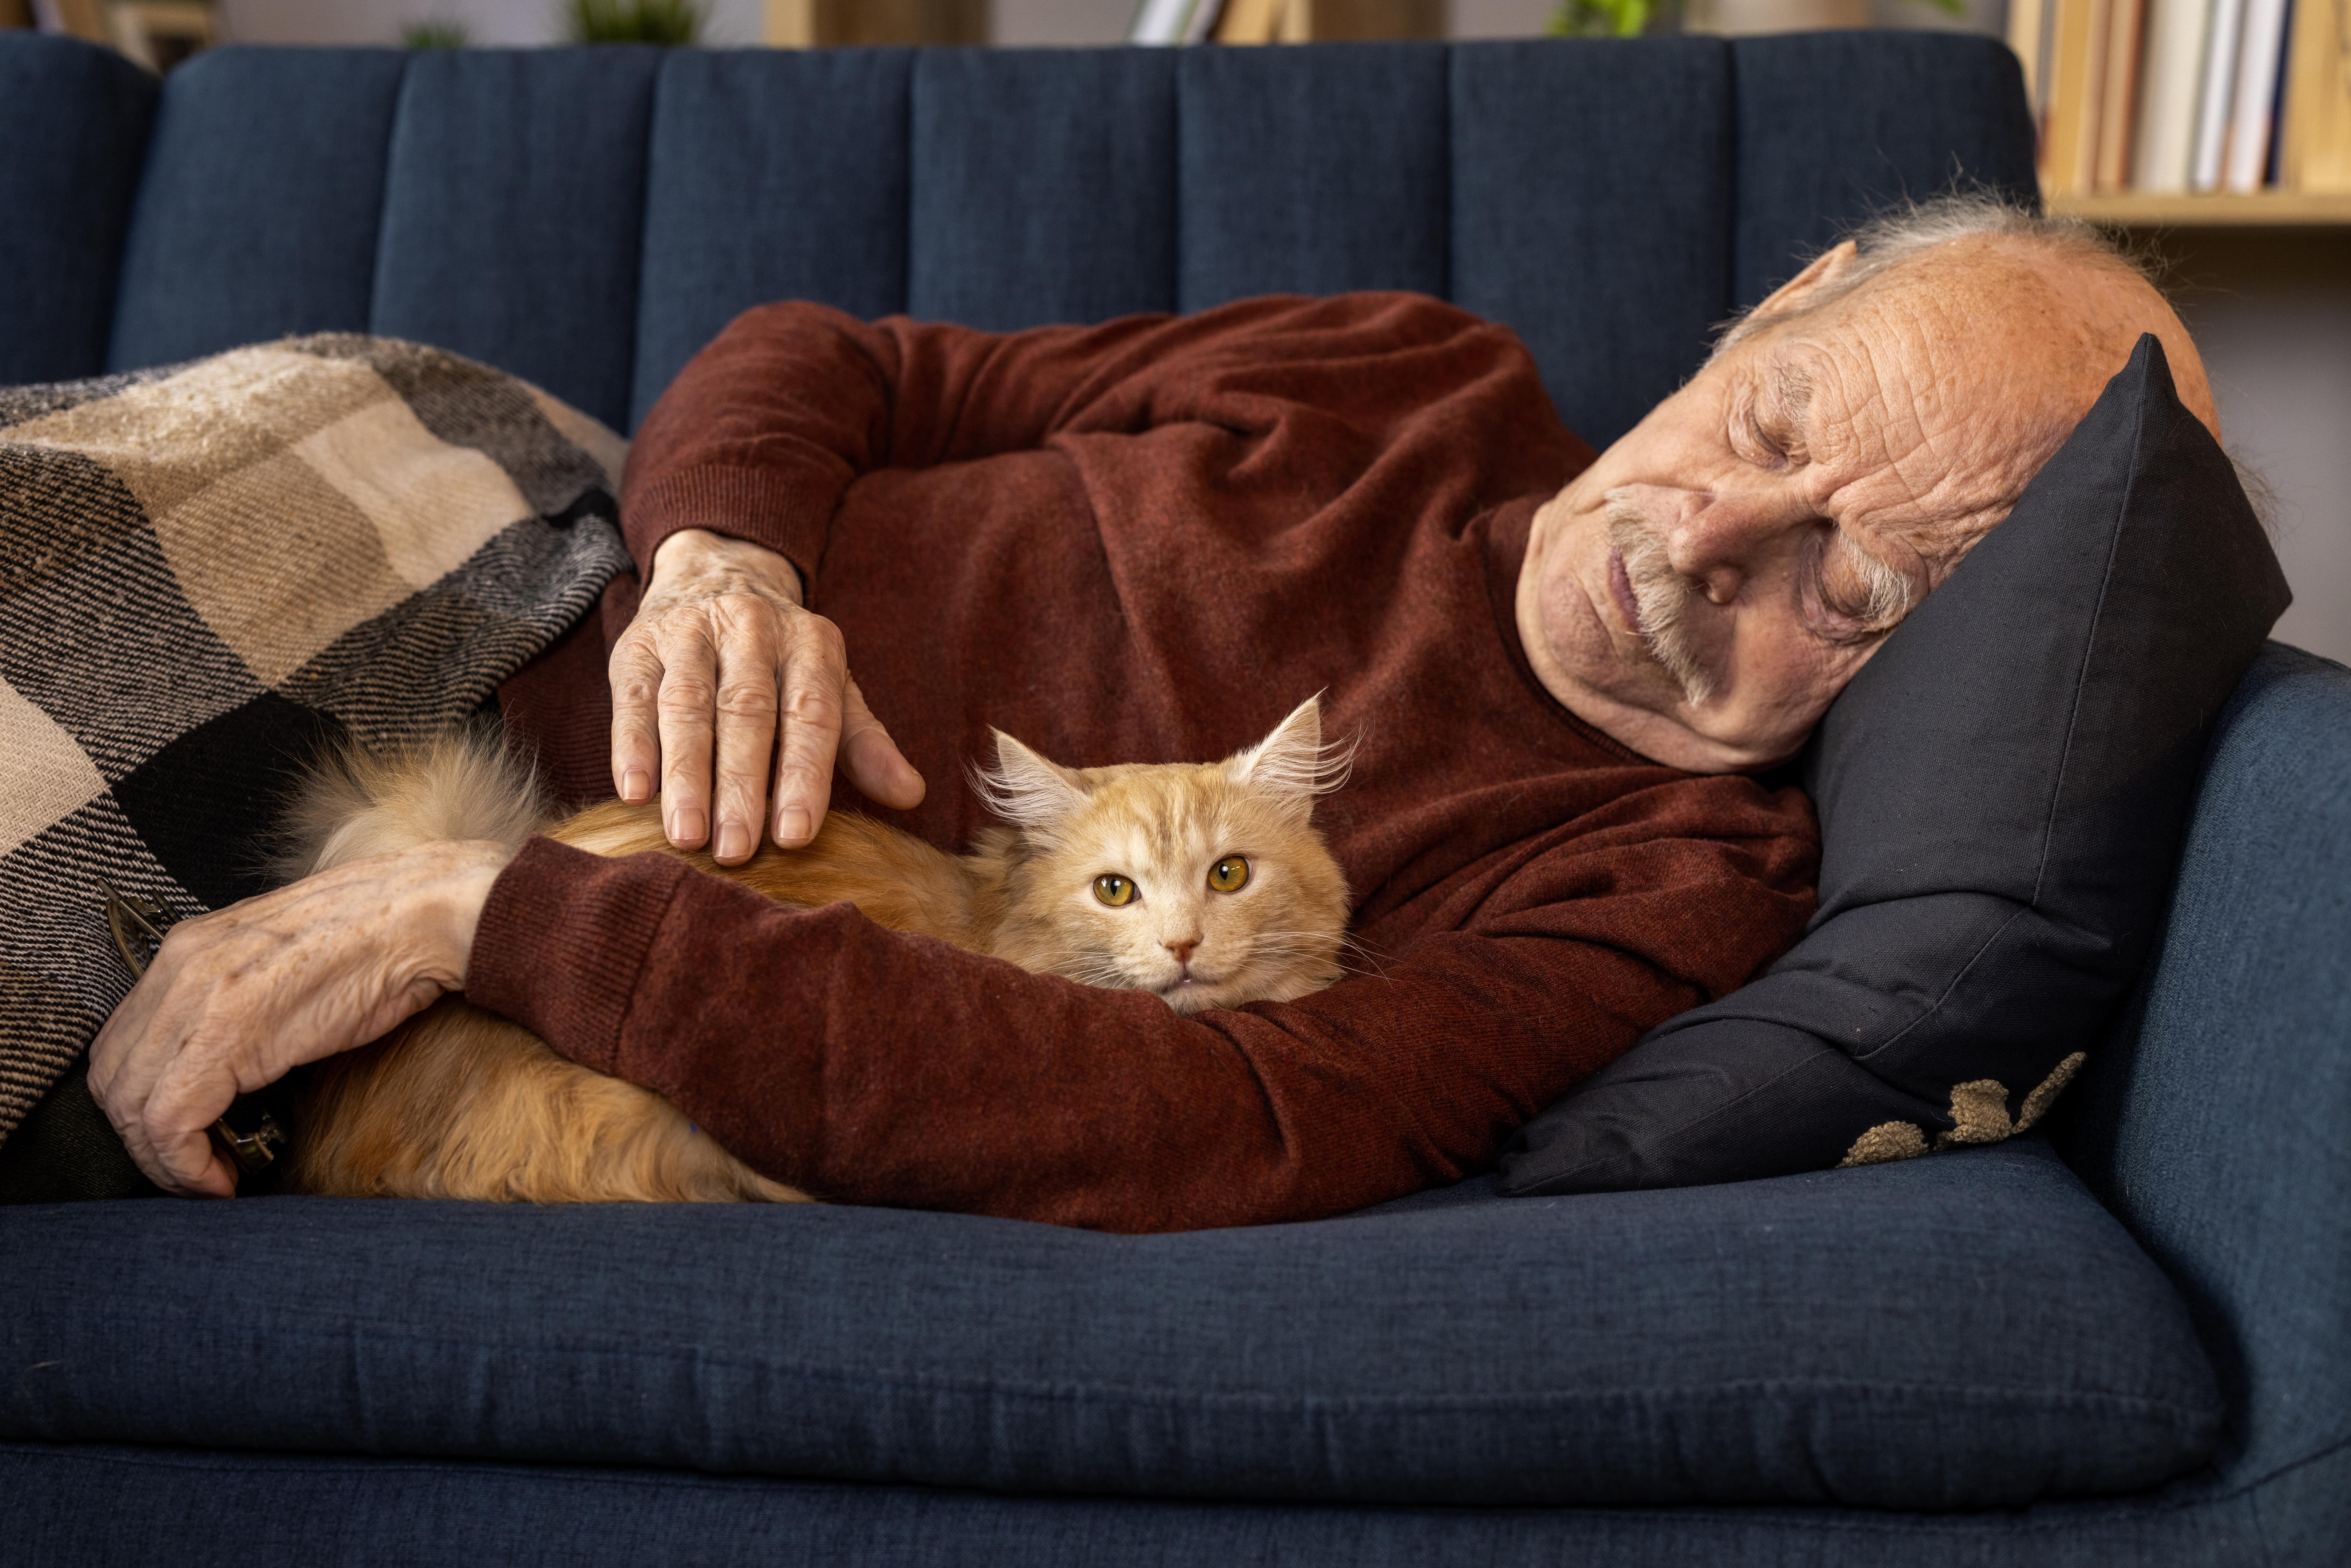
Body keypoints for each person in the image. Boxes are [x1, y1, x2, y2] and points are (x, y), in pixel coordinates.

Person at [88, 196, 2219, 1226]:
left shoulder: (1676, 875)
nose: (1706, 540)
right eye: (1766, 420)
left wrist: (486, 914)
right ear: (1774, 299)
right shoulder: (1415, 368)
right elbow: (838, 360)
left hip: (433, 883)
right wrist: (721, 557)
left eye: (1853, 586)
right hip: (485, 516)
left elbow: (1213, 1118)